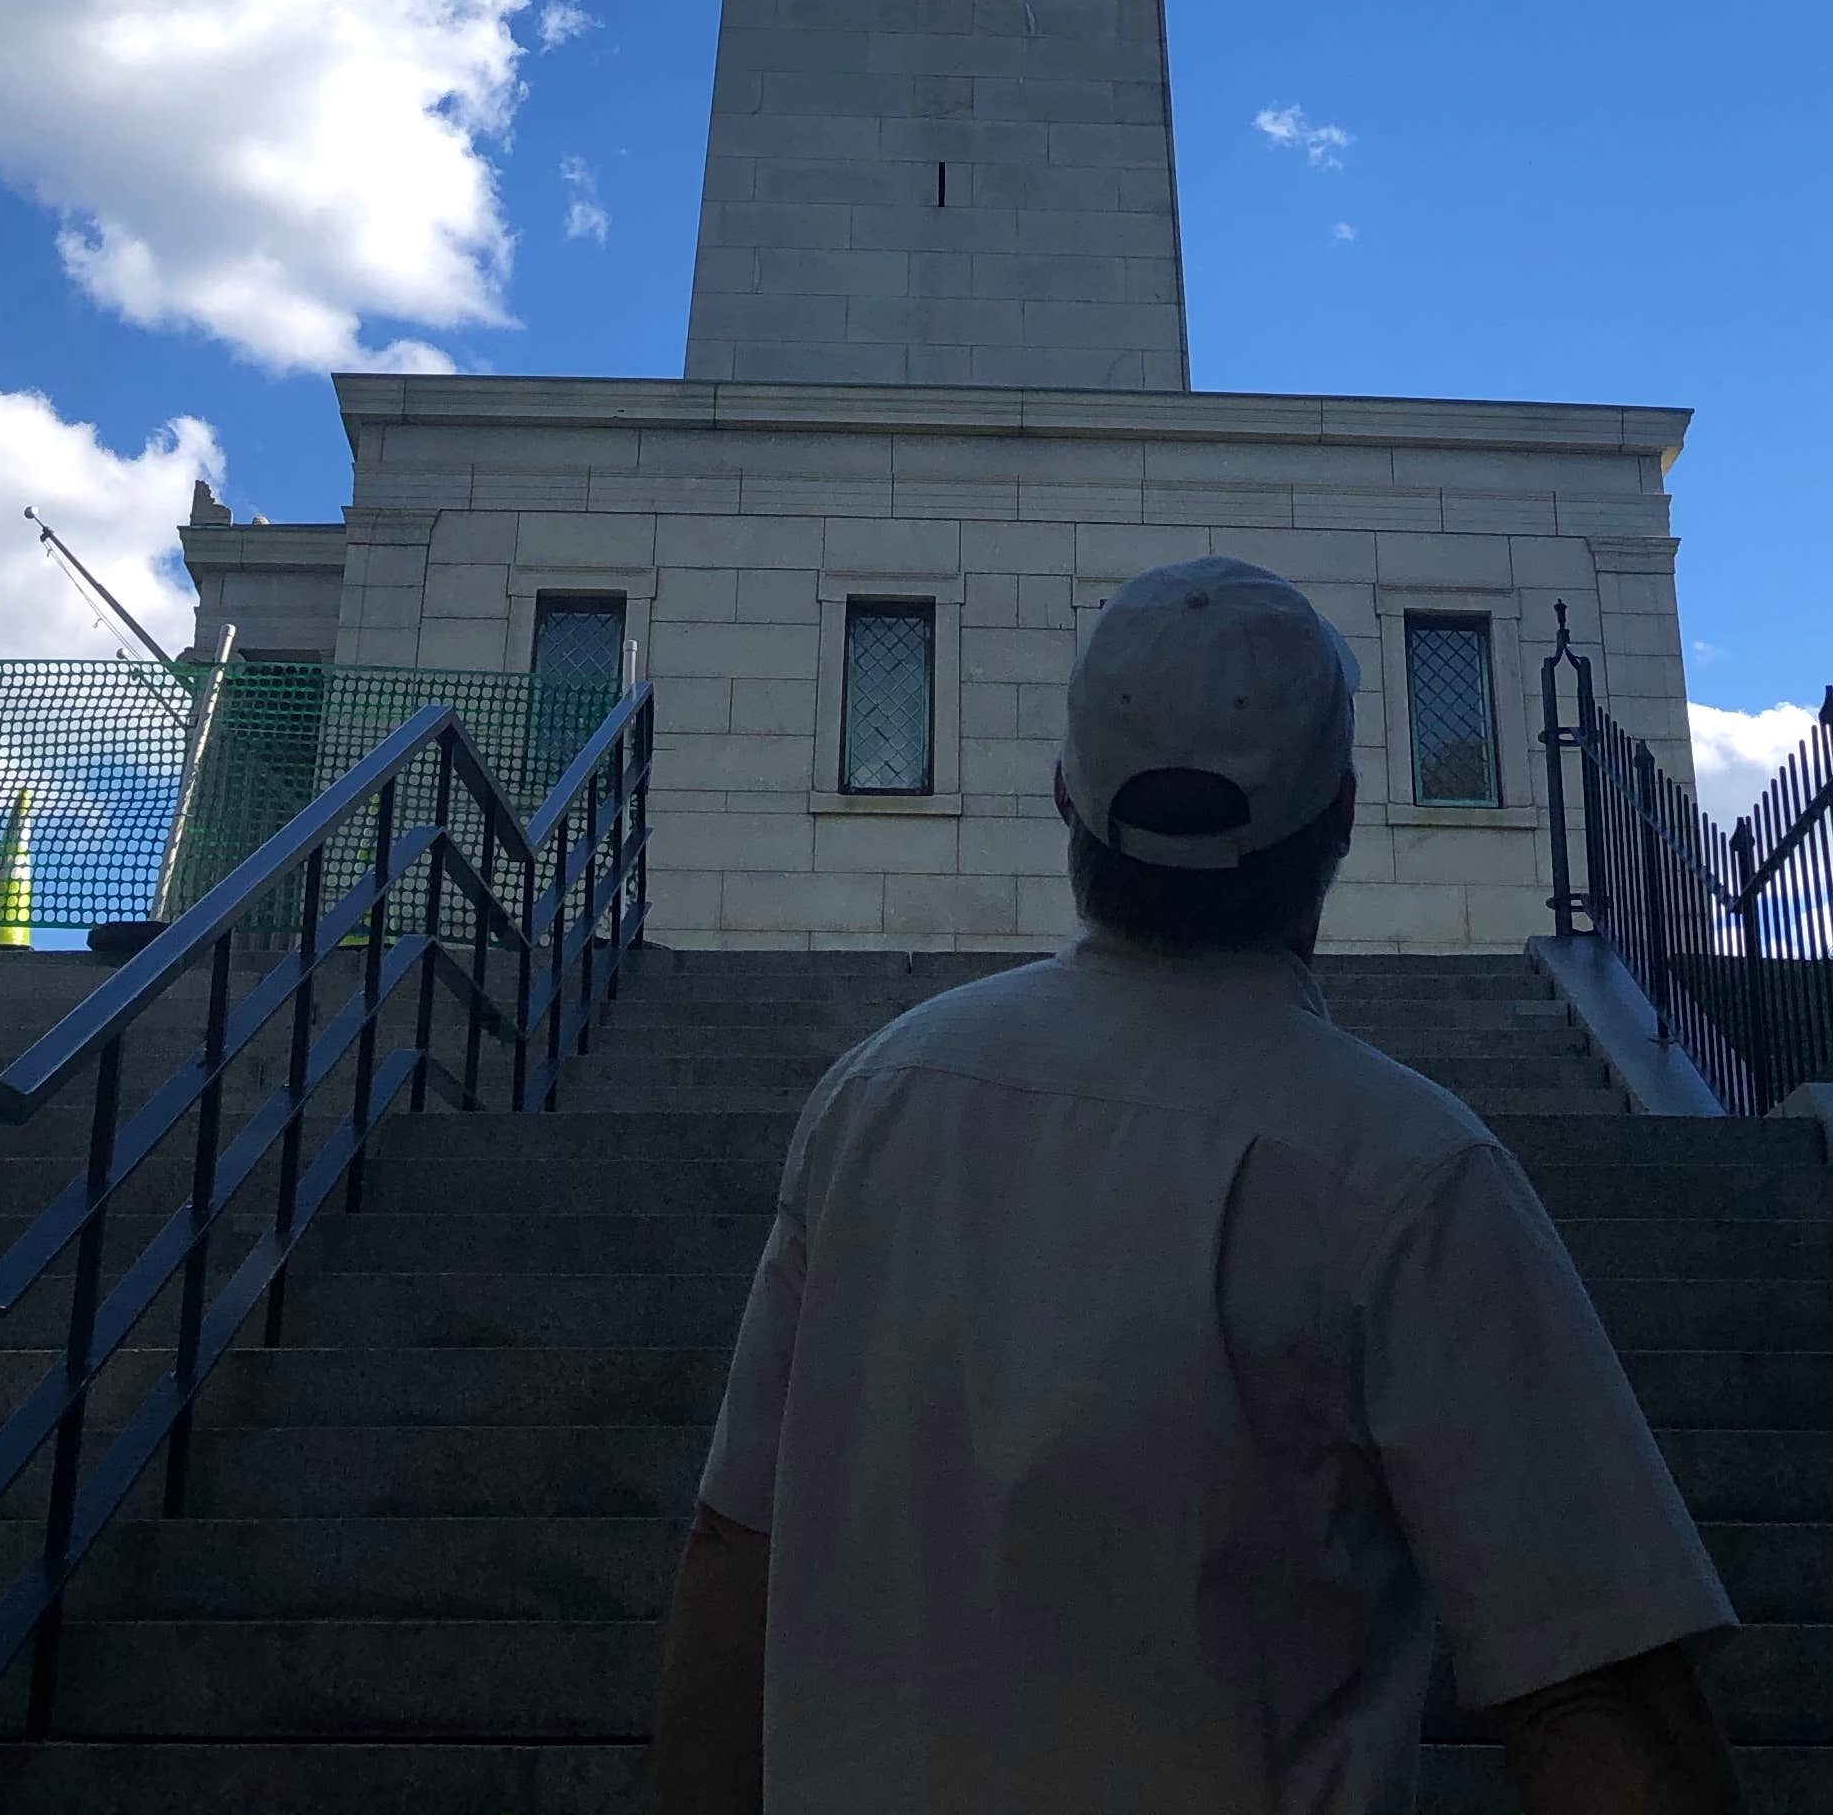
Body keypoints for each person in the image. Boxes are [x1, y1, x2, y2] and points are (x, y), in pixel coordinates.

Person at [654, 554, 1742, 1815]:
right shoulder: (1411, 1171)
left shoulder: (870, 1102)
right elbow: (1594, 1695)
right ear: (1341, 817)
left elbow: (734, 1558)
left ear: (1065, 793)